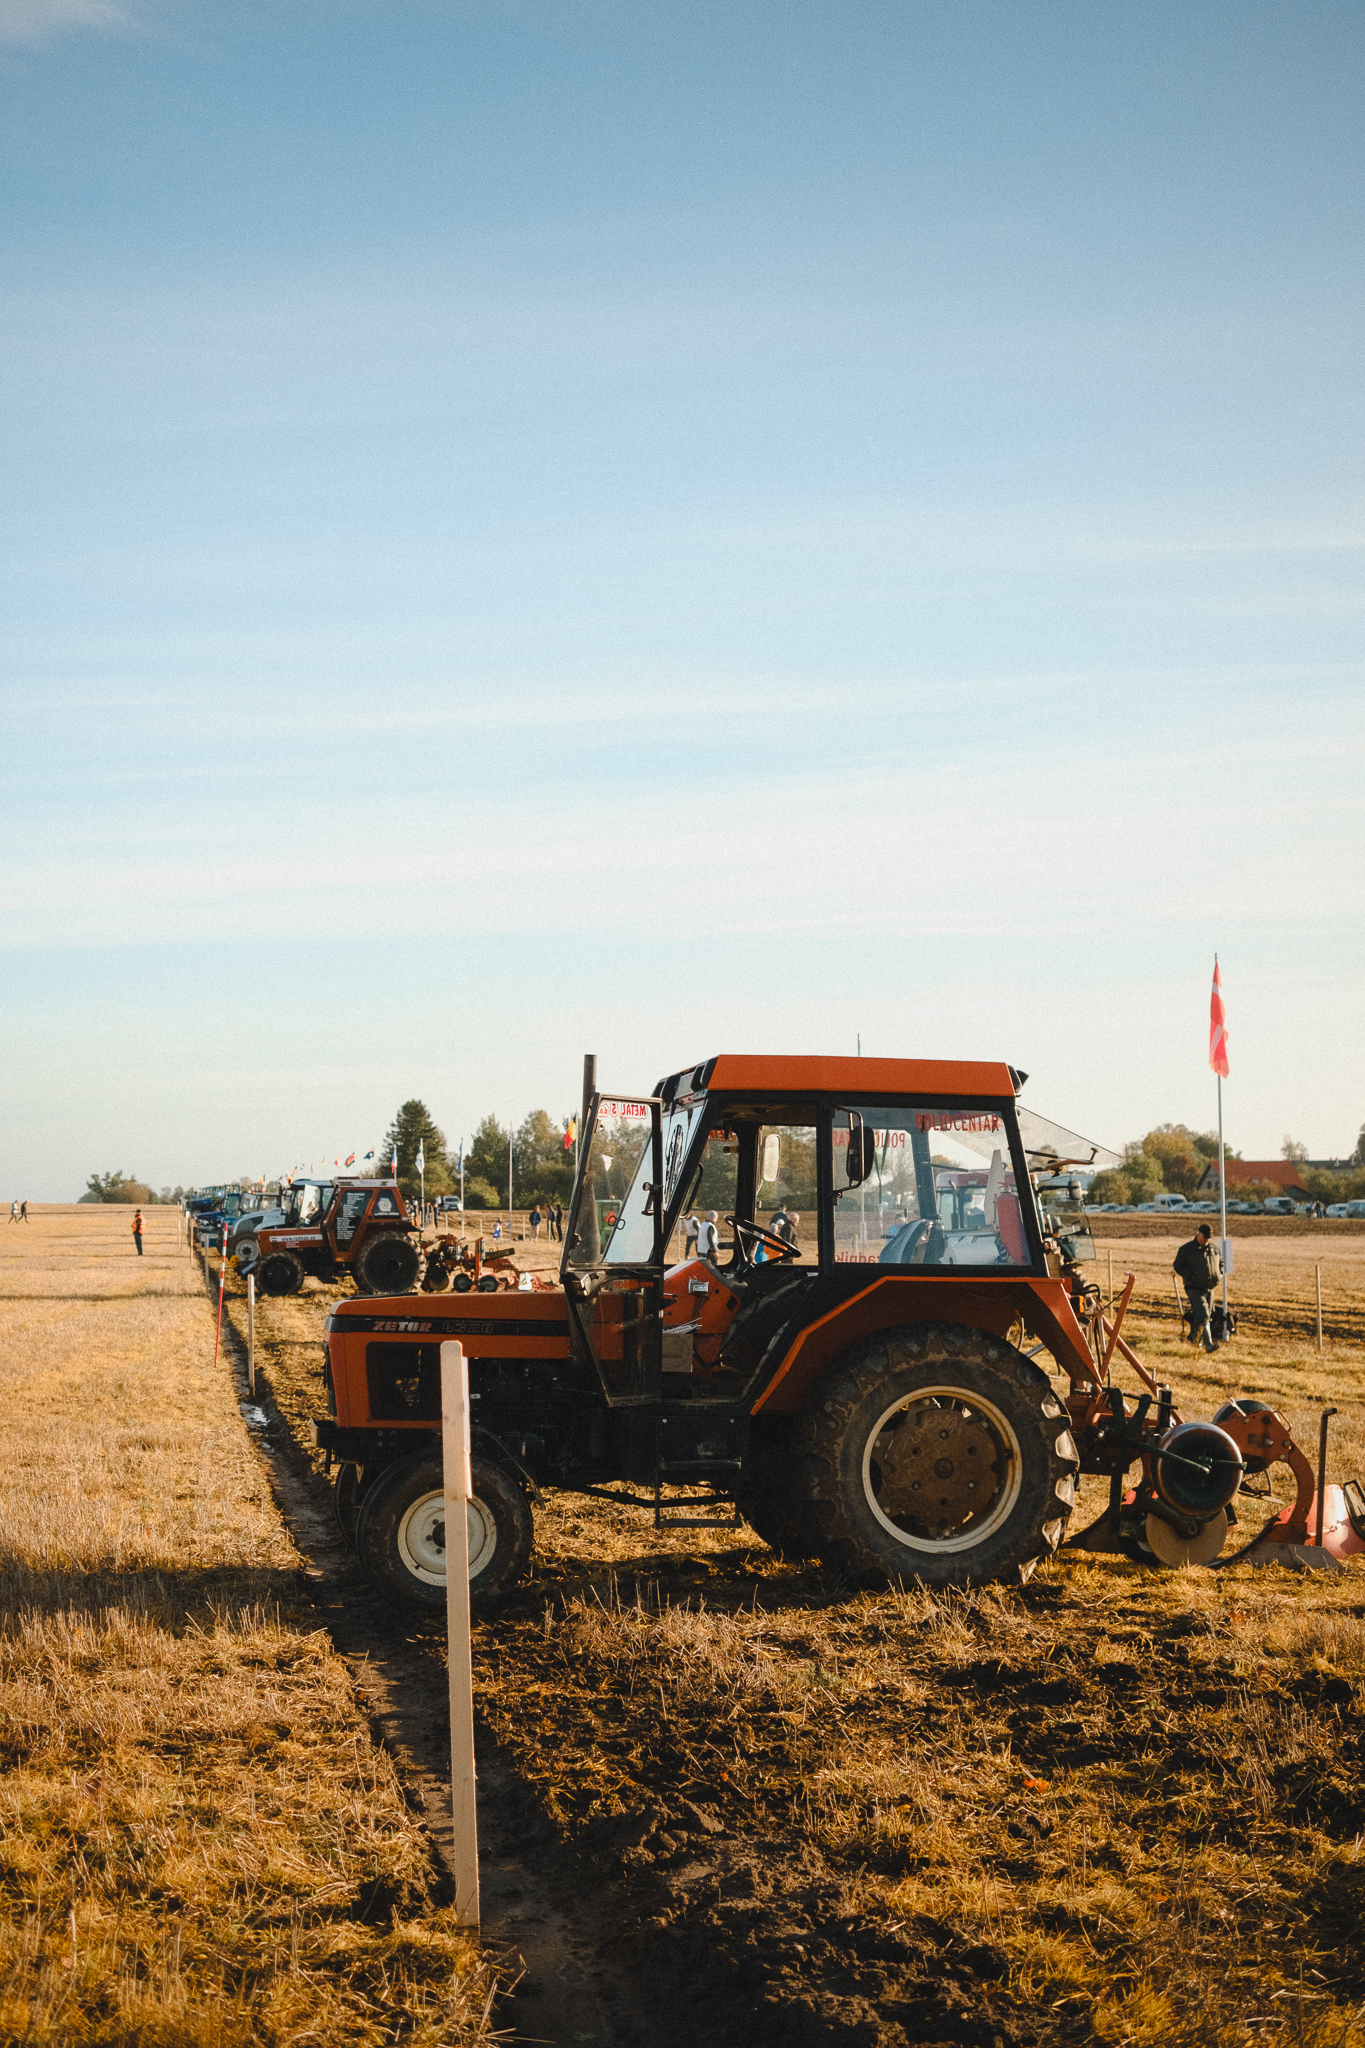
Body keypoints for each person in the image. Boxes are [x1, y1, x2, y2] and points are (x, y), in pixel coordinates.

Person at [1173, 1223, 1223, 1351]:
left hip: (1210, 1287)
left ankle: (1194, 1339)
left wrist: (1220, 1273)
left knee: (1205, 1315)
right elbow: (1178, 1265)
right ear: (1198, 1234)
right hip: (1194, 1287)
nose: (1207, 1240)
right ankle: (1209, 1344)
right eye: (1205, 1237)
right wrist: (1190, 1275)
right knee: (1204, 1314)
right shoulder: (1187, 1249)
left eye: (1209, 1238)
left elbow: (1221, 1262)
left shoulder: (1214, 1249)